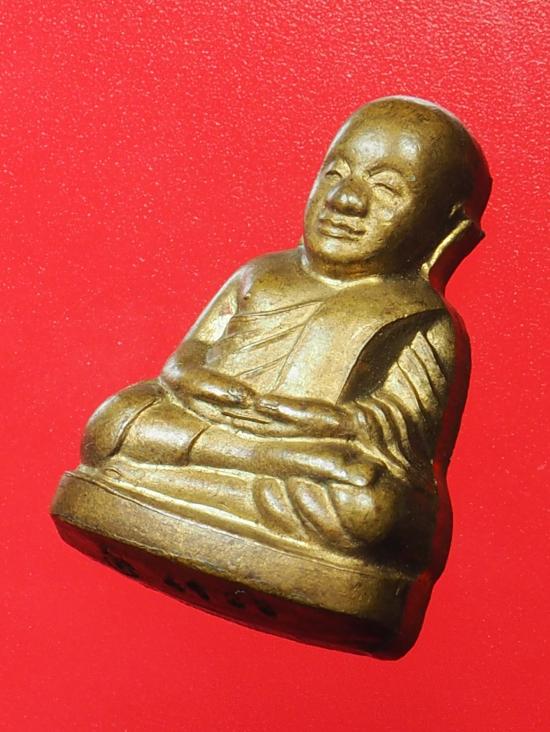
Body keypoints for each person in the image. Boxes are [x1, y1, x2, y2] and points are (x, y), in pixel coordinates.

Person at [78, 96, 491, 557]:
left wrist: (329, 420)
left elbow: (405, 429)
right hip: (220, 424)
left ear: (444, 228)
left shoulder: (420, 317)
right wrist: (198, 382)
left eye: (386, 189)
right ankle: (253, 465)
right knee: (115, 422)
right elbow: (187, 357)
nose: (345, 200)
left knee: (370, 505)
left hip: (312, 450)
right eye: (334, 174)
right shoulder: (262, 274)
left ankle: (181, 486)